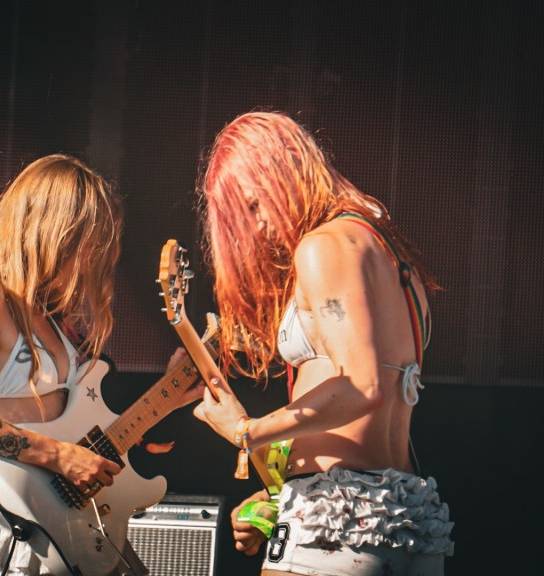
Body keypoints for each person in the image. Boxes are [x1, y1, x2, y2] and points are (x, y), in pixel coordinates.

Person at [191, 111, 454, 576]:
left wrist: (246, 430)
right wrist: (279, 493)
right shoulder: (382, 248)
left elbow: (361, 386)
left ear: (284, 169)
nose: (257, 227)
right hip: (407, 511)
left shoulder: (323, 246)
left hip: (337, 515)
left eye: (254, 205)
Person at [0, 154, 192, 575]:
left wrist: (170, 395)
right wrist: (60, 456)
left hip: (75, 530)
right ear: (53, 230)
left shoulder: (58, 321)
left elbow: (75, 424)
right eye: (87, 239)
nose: (93, 256)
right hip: (19, 532)